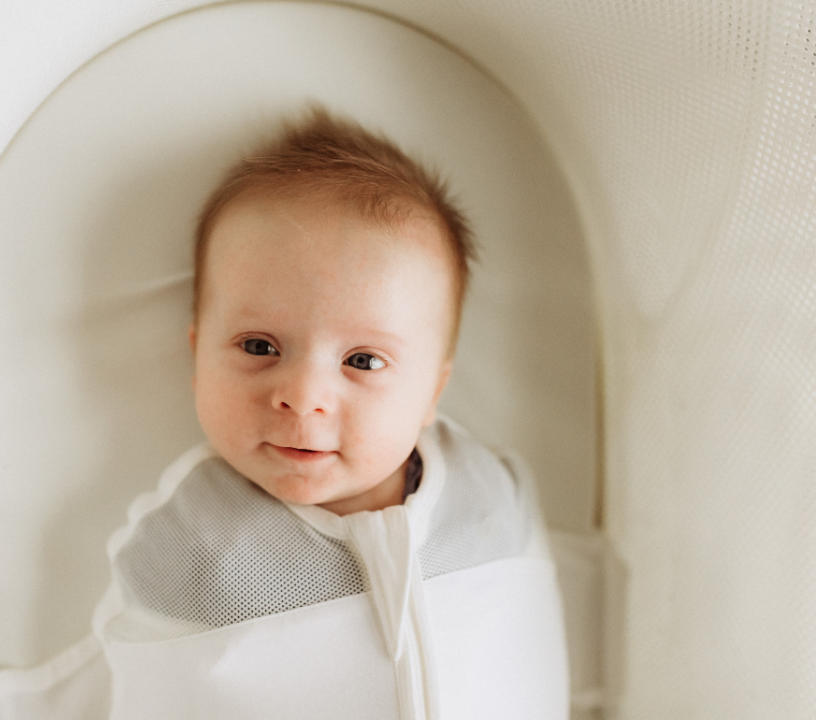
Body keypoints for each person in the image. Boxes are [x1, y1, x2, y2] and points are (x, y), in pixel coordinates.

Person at [92, 107, 570, 720]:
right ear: (198, 355)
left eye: (364, 361)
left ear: (432, 392)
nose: (303, 395)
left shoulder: (490, 497)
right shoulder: (186, 542)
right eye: (259, 347)